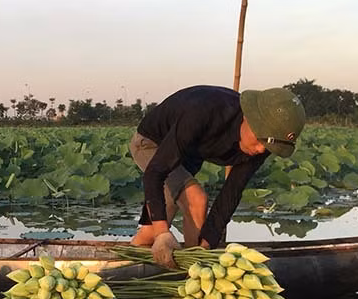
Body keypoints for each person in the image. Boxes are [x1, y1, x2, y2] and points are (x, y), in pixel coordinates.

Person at [129, 85, 306, 267]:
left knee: (151, 230)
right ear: (248, 118)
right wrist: (163, 234)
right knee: (195, 200)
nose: (261, 149)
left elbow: (231, 193)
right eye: (259, 140)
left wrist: (207, 245)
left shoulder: (267, 141)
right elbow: (154, 173)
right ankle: (191, 273)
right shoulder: (202, 112)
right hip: (151, 143)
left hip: (189, 153)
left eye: (267, 147)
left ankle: (130, 262)